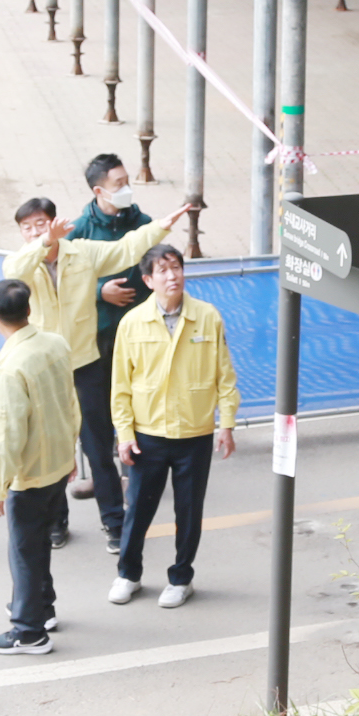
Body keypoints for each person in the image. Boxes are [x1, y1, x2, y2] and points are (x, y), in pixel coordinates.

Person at [5, 172, 182, 551]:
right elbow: (12, 274)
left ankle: (114, 525)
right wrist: (41, 245)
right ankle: (56, 523)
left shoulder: (82, 253)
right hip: (44, 370)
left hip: (84, 364)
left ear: (56, 222)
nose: (35, 231)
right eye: (27, 227)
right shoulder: (23, 262)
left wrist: (162, 226)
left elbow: (126, 249)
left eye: (42, 224)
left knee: (97, 446)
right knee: (49, 448)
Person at [108, 244, 239, 609]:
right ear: (148, 280)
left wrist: (226, 424)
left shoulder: (207, 316)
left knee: (189, 510)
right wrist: (125, 434)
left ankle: (181, 578)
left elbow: (224, 376)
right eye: (163, 270)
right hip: (148, 434)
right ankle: (128, 574)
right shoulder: (131, 323)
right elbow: (120, 386)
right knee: (138, 509)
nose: (173, 275)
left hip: (195, 434)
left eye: (177, 267)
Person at [62, 156, 157, 534]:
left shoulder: (143, 224)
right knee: (97, 423)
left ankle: (134, 481)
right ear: (98, 190)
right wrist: (101, 292)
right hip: (96, 344)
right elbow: (63, 284)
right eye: (119, 183)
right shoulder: (78, 231)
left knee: (140, 414)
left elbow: (155, 269)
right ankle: (106, 489)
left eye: (127, 180)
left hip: (138, 341)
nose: (127, 188)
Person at [0, 277, 76, 655]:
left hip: (29, 475)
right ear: (29, 309)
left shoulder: (12, 367)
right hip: (57, 464)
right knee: (38, 546)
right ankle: (41, 608)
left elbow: (8, 434)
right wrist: (70, 453)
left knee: (23, 551)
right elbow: (71, 402)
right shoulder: (56, 344)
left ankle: (28, 630)